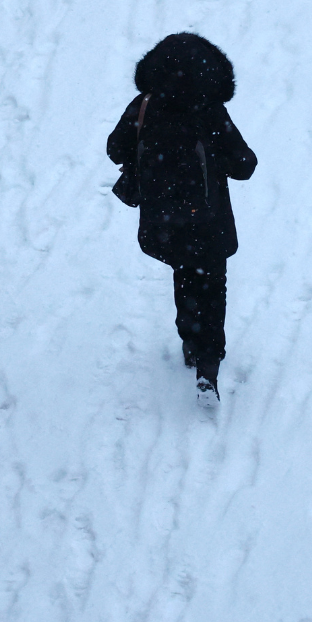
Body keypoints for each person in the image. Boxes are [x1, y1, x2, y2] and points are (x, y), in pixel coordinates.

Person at [107, 33, 257, 400]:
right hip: (209, 220)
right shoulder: (209, 110)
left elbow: (114, 149)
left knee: (185, 277)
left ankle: (190, 343)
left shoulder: (144, 105)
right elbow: (244, 166)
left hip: (163, 221)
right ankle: (209, 360)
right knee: (212, 283)